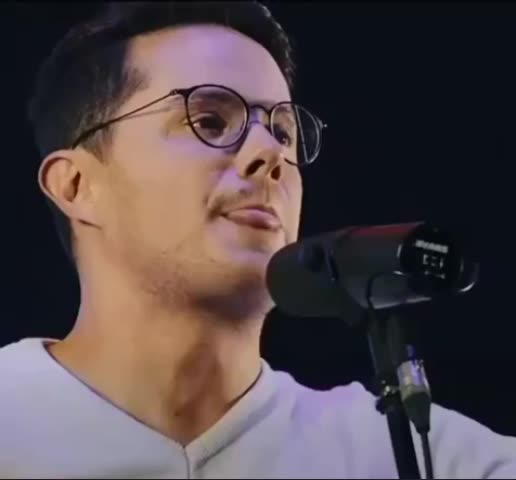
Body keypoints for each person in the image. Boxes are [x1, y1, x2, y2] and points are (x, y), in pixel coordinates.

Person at [2, 1, 515, 478]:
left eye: (283, 132)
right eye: (209, 121)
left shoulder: (413, 453)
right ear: (77, 186)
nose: (270, 153)